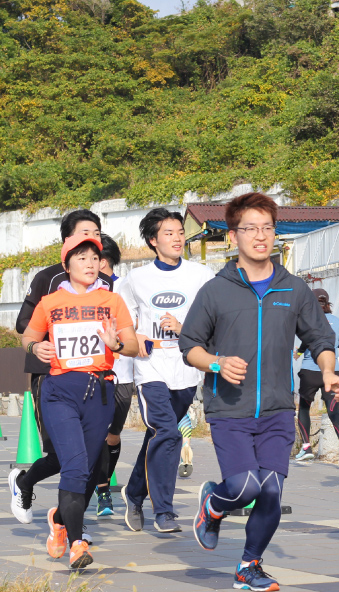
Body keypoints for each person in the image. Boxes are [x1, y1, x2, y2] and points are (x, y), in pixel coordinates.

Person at [179, 192, 339, 592]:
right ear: (233, 236)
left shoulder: (294, 288)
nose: (260, 236)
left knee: (270, 490)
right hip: (229, 409)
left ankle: (248, 566)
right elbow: (190, 346)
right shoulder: (215, 290)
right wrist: (217, 362)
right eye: (250, 229)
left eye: (267, 228)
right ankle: (213, 505)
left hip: (275, 409)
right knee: (243, 487)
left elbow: (320, 337)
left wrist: (328, 372)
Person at [20, 234, 138, 569]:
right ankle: (76, 544)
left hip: (99, 393)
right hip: (60, 392)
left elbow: (132, 346)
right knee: (72, 467)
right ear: (67, 264)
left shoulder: (112, 301)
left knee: (86, 468)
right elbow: (28, 335)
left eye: (94, 258)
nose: (90, 263)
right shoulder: (50, 303)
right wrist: (34, 348)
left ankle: (60, 523)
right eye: (81, 257)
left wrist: (116, 344)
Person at [9, 210, 113, 528]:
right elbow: (23, 324)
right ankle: (26, 484)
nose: (92, 240)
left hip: (94, 383)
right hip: (51, 377)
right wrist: (38, 343)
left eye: (97, 233)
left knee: (90, 455)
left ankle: (66, 521)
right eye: (85, 233)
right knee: (61, 455)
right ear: (67, 241)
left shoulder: (105, 284)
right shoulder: (48, 279)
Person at [119, 208, 214, 534]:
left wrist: (183, 328)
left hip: (187, 369)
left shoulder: (201, 275)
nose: (177, 238)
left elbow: (213, 320)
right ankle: (165, 512)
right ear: (153, 240)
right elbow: (122, 323)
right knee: (169, 434)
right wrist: (135, 336)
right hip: (151, 369)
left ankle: (133, 493)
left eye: (179, 232)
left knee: (158, 437)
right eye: (169, 233)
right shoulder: (136, 280)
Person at [94, 234, 135, 516]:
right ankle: (102, 491)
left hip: (123, 373)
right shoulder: (81, 292)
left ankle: (104, 484)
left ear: (103, 261)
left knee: (112, 435)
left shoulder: (127, 288)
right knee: (95, 434)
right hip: (93, 374)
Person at [294, 288, 339, 469]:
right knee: (333, 411)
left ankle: (306, 447)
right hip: (332, 372)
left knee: (304, 407)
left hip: (310, 371)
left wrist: (301, 351)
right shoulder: (336, 321)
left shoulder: (308, 319)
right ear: (327, 303)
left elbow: (307, 339)